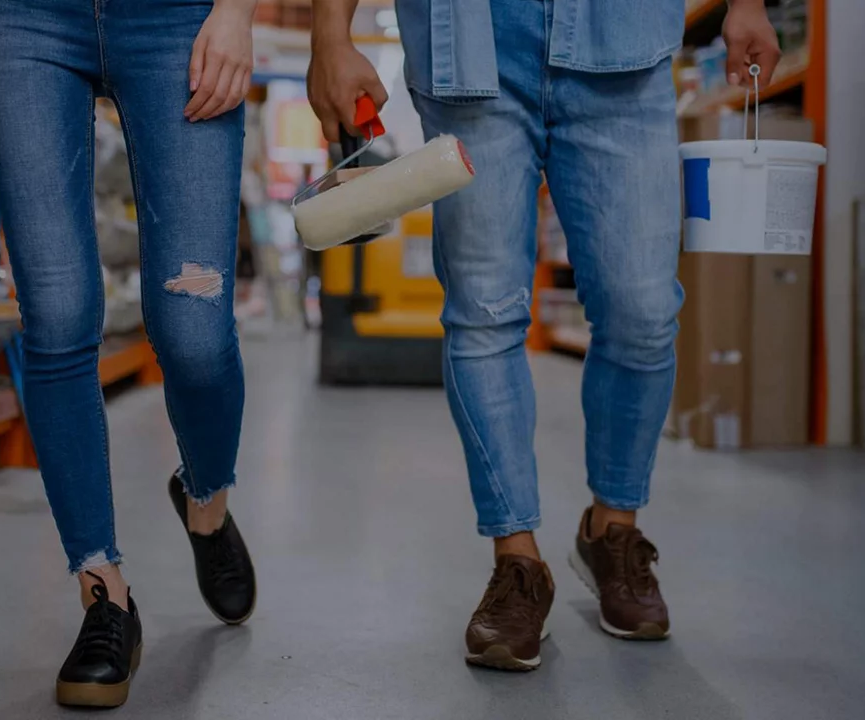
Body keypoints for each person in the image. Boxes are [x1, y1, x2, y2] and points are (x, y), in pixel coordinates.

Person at [309, 0, 781, 670]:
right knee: (484, 311)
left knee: (643, 310)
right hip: (471, 37)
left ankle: (612, 530)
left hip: (622, 35)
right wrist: (330, 33)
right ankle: (517, 561)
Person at [0, 0, 259, 707]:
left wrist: (237, 10)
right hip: (21, 19)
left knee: (194, 333)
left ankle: (206, 500)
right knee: (54, 318)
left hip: (177, 18)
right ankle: (102, 595)